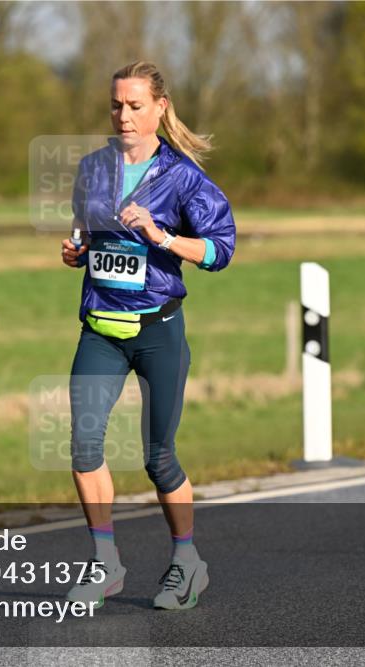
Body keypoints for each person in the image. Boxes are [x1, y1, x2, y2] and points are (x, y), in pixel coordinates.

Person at [60, 61, 236, 610]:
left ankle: (187, 561)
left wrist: (161, 235)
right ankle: (105, 564)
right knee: (84, 445)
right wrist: (76, 253)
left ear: (160, 107)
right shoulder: (92, 168)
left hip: (158, 329)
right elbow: (86, 236)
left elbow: (220, 251)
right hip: (101, 329)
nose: (124, 115)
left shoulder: (182, 177)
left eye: (136, 105)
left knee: (158, 457)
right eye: (117, 105)